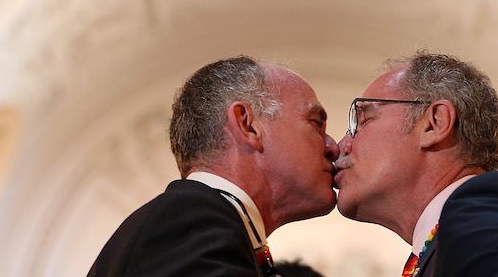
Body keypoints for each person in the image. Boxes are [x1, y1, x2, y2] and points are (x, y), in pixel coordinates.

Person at [333, 51, 498, 277]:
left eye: (363, 120)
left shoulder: (480, 205)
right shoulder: (444, 241)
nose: (341, 144)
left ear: (435, 123)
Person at [88, 55, 339, 277]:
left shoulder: (202, 223)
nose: (332, 146)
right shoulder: (187, 222)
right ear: (248, 125)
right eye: (316, 123)